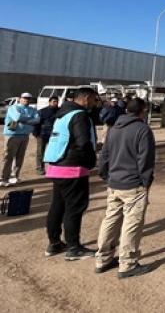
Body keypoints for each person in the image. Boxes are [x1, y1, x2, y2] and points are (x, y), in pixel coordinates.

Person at [94, 98, 155, 278]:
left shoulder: (113, 128)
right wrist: (145, 182)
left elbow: (104, 155)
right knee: (131, 223)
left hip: (114, 183)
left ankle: (102, 258)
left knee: (110, 219)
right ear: (142, 111)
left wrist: (106, 175)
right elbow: (146, 160)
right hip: (133, 185)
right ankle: (127, 263)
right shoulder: (143, 130)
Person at [43, 88, 98, 260]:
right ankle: (74, 247)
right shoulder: (79, 115)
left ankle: (54, 242)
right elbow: (83, 141)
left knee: (57, 206)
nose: (96, 104)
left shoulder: (62, 113)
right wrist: (91, 160)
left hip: (56, 165)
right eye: (95, 100)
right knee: (74, 208)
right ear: (87, 98)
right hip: (72, 168)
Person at [3, 92, 40, 186]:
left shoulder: (32, 109)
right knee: (8, 157)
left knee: (19, 158)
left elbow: (37, 120)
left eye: (28, 98)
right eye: (24, 98)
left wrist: (24, 119)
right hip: (12, 135)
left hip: (25, 136)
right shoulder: (14, 107)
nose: (26, 100)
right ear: (20, 98)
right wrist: (29, 119)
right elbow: (17, 117)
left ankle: (14, 177)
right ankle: (3, 178)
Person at [33, 96, 60, 176]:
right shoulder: (42, 111)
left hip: (55, 134)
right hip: (43, 134)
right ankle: (39, 168)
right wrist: (36, 133)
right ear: (49, 102)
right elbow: (37, 123)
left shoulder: (60, 111)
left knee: (55, 151)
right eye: (53, 101)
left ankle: (54, 168)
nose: (55, 103)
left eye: (56, 101)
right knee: (40, 152)